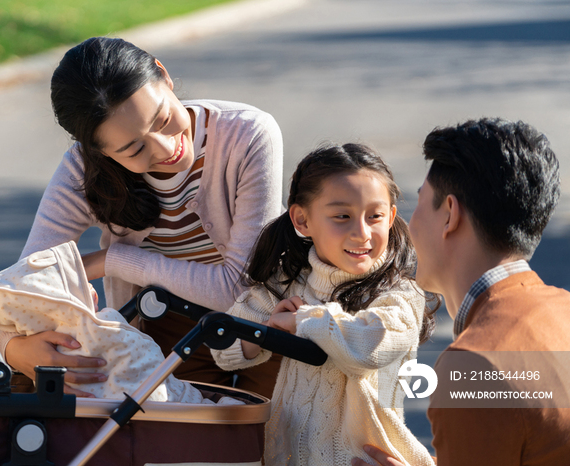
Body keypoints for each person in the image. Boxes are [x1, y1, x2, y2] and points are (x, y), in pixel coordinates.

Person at [0, 37, 284, 398]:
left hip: (271, 322)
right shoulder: (81, 171)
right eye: (134, 149)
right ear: (98, 151)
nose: (166, 148)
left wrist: (115, 260)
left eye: (163, 118)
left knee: (275, 444)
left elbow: (239, 289)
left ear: (163, 74)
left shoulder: (248, 133)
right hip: (167, 333)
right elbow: (16, 288)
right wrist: (13, 349)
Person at [353, 118, 570, 466]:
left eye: (420, 202)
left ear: (450, 214)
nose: (405, 225)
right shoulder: (563, 309)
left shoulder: (472, 365)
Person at [211, 143, 437, 466]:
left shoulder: (400, 294)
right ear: (302, 220)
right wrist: (265, 330)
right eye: (342, 216)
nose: (362, 234)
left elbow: (370, 347)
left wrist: (306, 320)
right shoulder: (289, 282)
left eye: (375, 216)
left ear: (390, 218)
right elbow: (224, 347)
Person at [0, 241, 241, 405]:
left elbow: (20, 288)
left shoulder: (56, 350)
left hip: (99, 427)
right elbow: (148, 364)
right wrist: (13, 349)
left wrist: (111, 258)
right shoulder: (108, 325)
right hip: (161, 402)